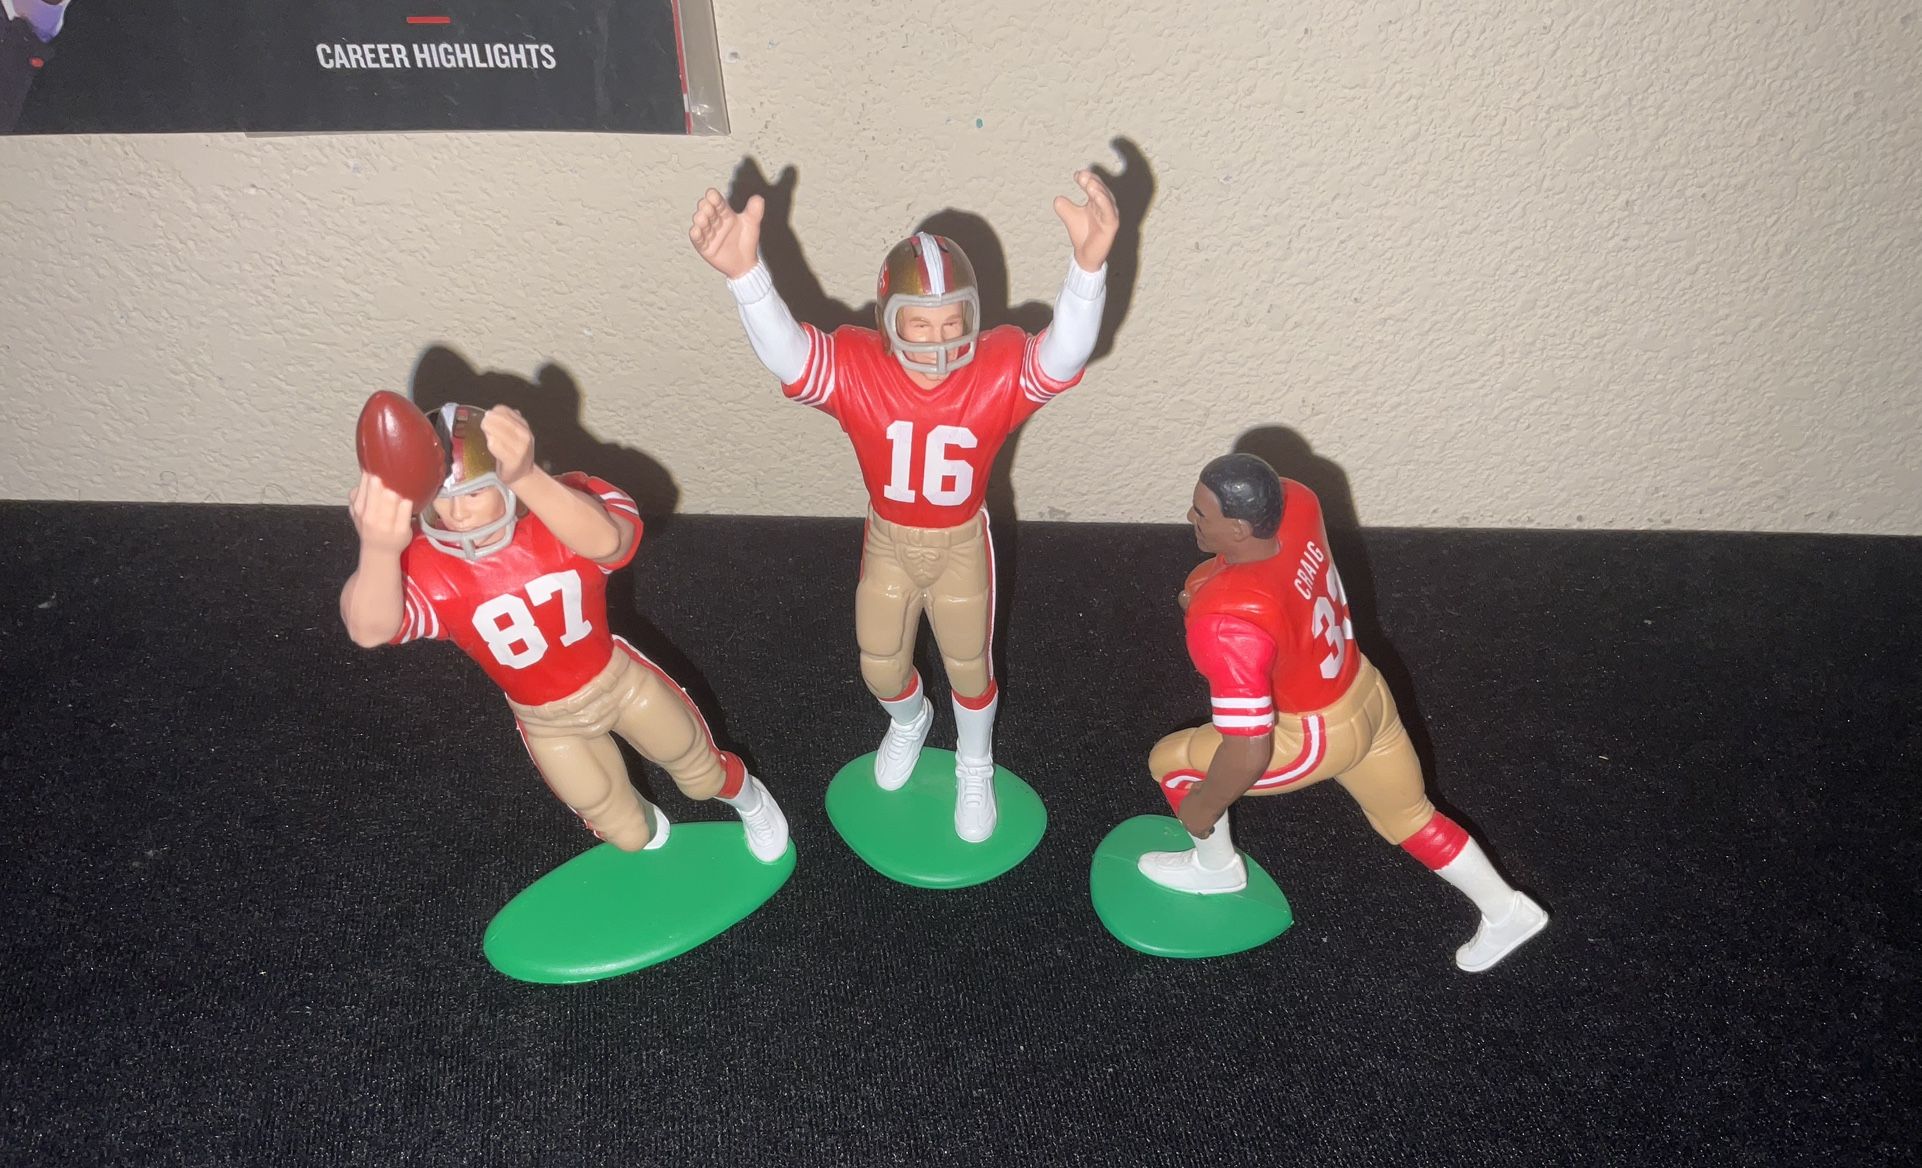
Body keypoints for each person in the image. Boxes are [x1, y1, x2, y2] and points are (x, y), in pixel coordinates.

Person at [689, 169, 1118, 842]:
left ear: (973, 317)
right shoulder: (860, 367)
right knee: (880, 662)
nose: (938, 341)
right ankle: (911, 720)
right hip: (889, 538)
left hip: (960, 541)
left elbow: (1064, 353)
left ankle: (975, 761)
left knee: (969, 666)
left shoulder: (997, 366)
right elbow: (791, 356)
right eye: (920, 324)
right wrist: (747, 276)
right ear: (889, 322)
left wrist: (1087, 269)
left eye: (952, 322)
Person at [1143, 453, 1548, 972]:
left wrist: (1203, 806)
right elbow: (1274, 573)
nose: (1190, 518)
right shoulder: (1297, 502)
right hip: (1365, 691)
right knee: (1410, 816)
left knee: (1173, 763)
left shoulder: (1227, 619)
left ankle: (1215, 867)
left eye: (1202, 513)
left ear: (1239, 527)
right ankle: (1508, 910)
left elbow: (1248, 748)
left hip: (1313, 733)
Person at [340, 402, 788, 863]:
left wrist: (528, 477)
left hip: (618, 682)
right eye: (442, 496)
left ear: (503, 480)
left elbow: (611, 543)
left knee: (700, 773)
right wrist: (378, 548)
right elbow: (370, 629)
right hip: (546, 721)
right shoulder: (426, 567)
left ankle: (751, 802)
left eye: (473, 493)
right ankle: (658, 845)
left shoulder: (564, 509)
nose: (457, 513)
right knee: (624, 830)